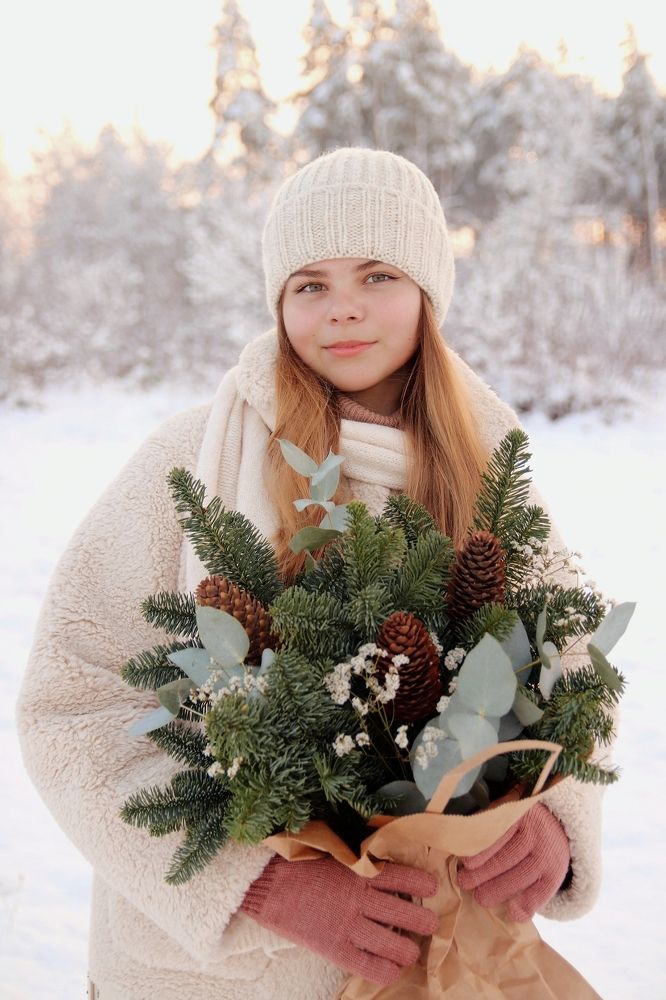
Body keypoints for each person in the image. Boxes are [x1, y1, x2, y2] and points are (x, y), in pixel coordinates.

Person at [17, 148, 604, 1000]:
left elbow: (571, 664)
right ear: (279, 301)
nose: (345, 311)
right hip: (212, 977)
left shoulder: (487, 460)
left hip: (433, 961)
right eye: (310, 285)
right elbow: (69, 703)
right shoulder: (190, 462)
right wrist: (260, 884)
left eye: (376, 275)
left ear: (429, 291)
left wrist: (557, 819)